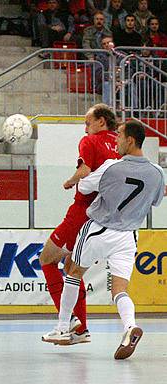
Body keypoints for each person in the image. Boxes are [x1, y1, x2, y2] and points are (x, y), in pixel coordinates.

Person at [42, 120, 165, 359]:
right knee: (120, 290)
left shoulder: (111, 166)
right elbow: (155, 199)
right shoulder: (156, 173)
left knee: (73, 272)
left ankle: (62, 328)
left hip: (99, 229)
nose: (115, 141)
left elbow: (85, 187)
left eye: (119, 136)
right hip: (128, 236)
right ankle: (130, 326)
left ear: (130, 140)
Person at [40, 104, 120, 345]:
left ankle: (70, 320)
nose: (86, 128)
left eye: (88, 122)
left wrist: (69, 181)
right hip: (104, 216)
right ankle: (81, 329)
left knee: (46, 260)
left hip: (80, 212)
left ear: (101, 121)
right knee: (73, 269)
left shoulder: (90, 141)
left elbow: (84, 171)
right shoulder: (121, 144)